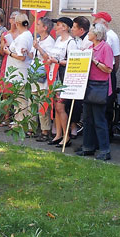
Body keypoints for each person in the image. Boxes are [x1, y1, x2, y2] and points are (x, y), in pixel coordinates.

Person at [78, 23, 114, 160]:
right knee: (87, 119)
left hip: (100, 86)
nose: (88, 33)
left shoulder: (105, 48)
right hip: (88, 85)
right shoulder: (90, 47)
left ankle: (105, 150)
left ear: (97, 34)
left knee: (99, 120)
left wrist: (94, 61)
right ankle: (88, 147)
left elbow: (108, 69)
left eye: (91, 31)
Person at [45, 17, 78, 147]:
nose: (55, 27)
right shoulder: (58, 40)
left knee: (60, 107)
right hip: (55, 76)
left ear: (65, 27)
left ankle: (66, 135)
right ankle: (58, 134)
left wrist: (57, 61)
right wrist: (50, 60)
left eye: (58, 25)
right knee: (56, 107)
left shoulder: (71, 42)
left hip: (64, 78)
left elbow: (73, 61)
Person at [2, 13, 34, 125]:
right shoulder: (28, 35)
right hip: (21, 71)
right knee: (20, 99)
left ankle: (20, 123)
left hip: (19, 72)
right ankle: (19, 121)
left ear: (17, 23)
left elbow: (21, 57)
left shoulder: (22, 37)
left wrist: (9, 52)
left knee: (20, 100)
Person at [32, 17, 56, 141]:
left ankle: (45, 131)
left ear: (45, 28)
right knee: (35, 103)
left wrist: (39, 48)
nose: (36, 26)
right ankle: (36, 128)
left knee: (43, 105)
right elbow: (33, 55)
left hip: (44, 76)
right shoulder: (37, 39)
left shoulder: (50, 41)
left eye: (38, 24)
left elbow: (48, 57)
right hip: (35, 73)